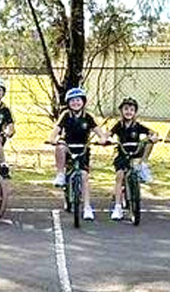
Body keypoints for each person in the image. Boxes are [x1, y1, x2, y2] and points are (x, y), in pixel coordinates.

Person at [50, 87, 107, 221]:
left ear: (83, 102)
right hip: (68, 146)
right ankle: (60, 174)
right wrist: (53, 139)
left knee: (84, 176)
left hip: (82, 148)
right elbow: (56, 130)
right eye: (73, 101)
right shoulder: (65, 115)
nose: (76, 103)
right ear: (68, 103)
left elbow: (99, 132)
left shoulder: (88, 116)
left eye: (78, 100)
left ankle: (87, 207)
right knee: (60, 146)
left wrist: (102, 139)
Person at [107, 97, 159, 221]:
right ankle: (118, 207)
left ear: (135, 112)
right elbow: (108, 134)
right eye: (126, 109)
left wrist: (154, 137)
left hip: (135, 153)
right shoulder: (118, 125)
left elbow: (153, 132)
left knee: (148, 143)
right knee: (120, 176)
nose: (128, 112)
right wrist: (107, 139)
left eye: (131, 109)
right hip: (123, 154)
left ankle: (144, 163)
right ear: (121, 111)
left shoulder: (138, 125)